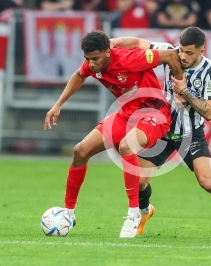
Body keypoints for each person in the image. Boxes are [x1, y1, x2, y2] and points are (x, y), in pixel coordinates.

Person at [111, 26, 211, 241]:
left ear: (202, 50)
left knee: (209, 182)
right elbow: (138, 43)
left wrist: (185, 91)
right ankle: (145, 212)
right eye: (181, 50)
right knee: (139, 181)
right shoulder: (169, 52)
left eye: (189, 53)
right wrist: (109, 44)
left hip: (190, 133)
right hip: (163, 129)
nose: (182, 56)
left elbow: (210, 112)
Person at [44, 31, 184, 238]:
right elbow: (79, 75)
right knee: (80, 151)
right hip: (126, 114)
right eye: (87, 59)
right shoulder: (93, 65)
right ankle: (69, 213)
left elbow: (171, 55)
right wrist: (58, 104)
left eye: (95, 59)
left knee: (126, 146)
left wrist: (181, 86)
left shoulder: (130, 59)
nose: (91, 64)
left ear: (108, 53)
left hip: (154, 113)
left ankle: (133, 214)